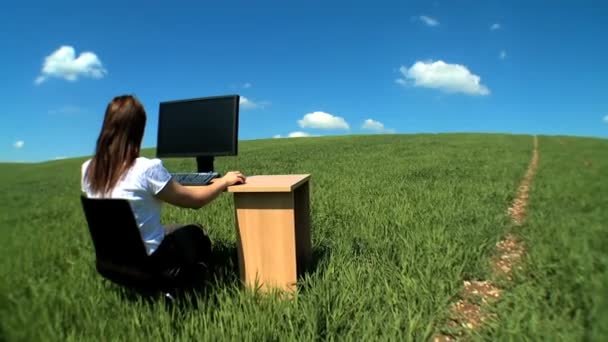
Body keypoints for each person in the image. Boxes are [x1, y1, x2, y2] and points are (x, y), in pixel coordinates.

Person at [81, 94, 245, 287]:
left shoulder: (89, 169)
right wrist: (224, 181)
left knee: (172, 228)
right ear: (139, 130)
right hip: (153, 264)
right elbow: (195, 201)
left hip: (113, 263)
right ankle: (196, 281)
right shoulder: (146, 169)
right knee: (196, 232)